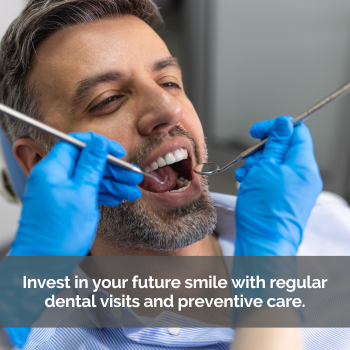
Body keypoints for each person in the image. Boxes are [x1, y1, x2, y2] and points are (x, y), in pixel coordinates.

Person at [0, 0, 349, 349]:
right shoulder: (34, 336)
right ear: (37, 162)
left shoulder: (330, 225)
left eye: (168, 82)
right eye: (107, 100)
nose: (168, 109)